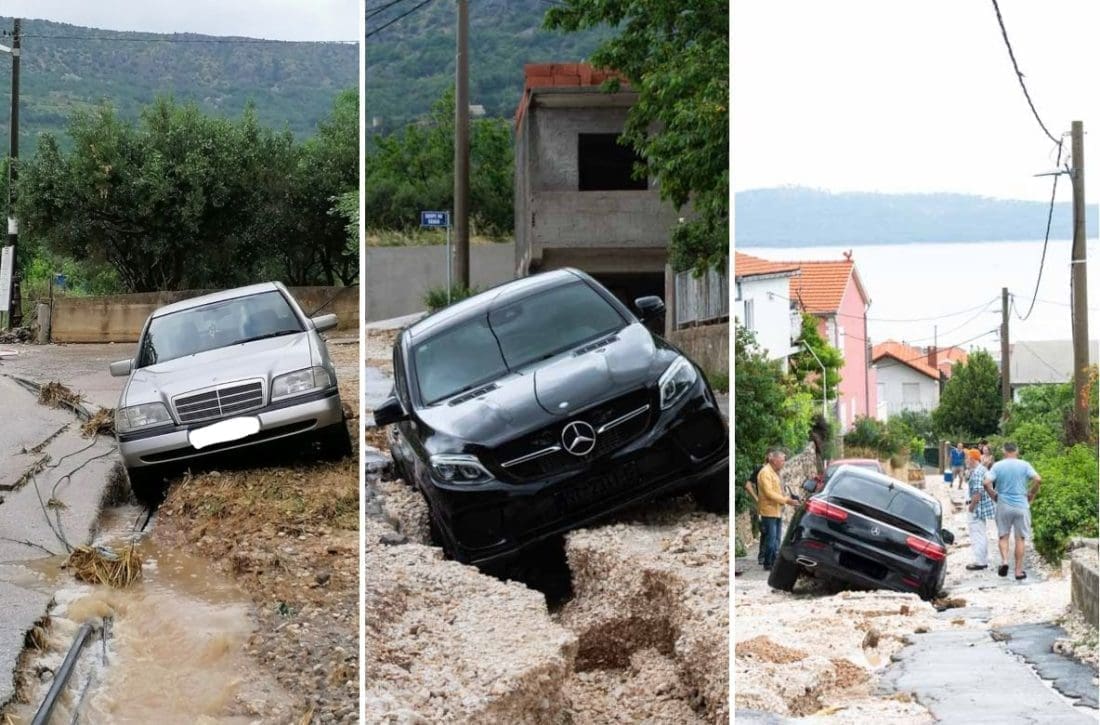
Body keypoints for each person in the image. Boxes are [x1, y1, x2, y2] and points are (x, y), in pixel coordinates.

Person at [983, 442, 1042, 580]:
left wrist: (993, 495)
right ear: (1017, 451)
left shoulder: (997, 466)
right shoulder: (1025, 464)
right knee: (1020, 539)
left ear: (1004, 452)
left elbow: (986, 483)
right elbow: (1038, 479)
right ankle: (1018, 571)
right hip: (1021, 504)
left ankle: (1004, 561)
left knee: (1003, 536)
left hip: (1003, 504)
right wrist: (1032, 493)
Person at [757, 449, 800, 570]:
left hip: (776, 511)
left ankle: (773, 562)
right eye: (782, 461)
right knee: (771, 540)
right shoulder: (765, 473)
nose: (783, 463)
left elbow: (777, 492)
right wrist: (787, 500)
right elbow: (769, 493)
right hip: (769, 512)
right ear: (774, 460)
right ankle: (768, 563)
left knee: (776, 539)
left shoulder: (774, 473)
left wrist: (787, 500)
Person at [965, 450, 995, 571]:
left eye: (967, 458)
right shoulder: (982, 470)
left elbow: (977, 493)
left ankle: (980, 562)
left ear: (972, 459)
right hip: (981, 508)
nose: (966, 460)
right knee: (980, 533)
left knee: (977, 534)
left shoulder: (977, 472)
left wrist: (971, 508)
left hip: (977, 508)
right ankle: (982, 560)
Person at [743, 462, 765, 565]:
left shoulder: (775, 471)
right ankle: (763, 557)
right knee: (766, 531)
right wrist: (757, 499)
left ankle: (765, 556)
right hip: (764, 506)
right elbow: (747, 485)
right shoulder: (761, 469)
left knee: (768, 532)